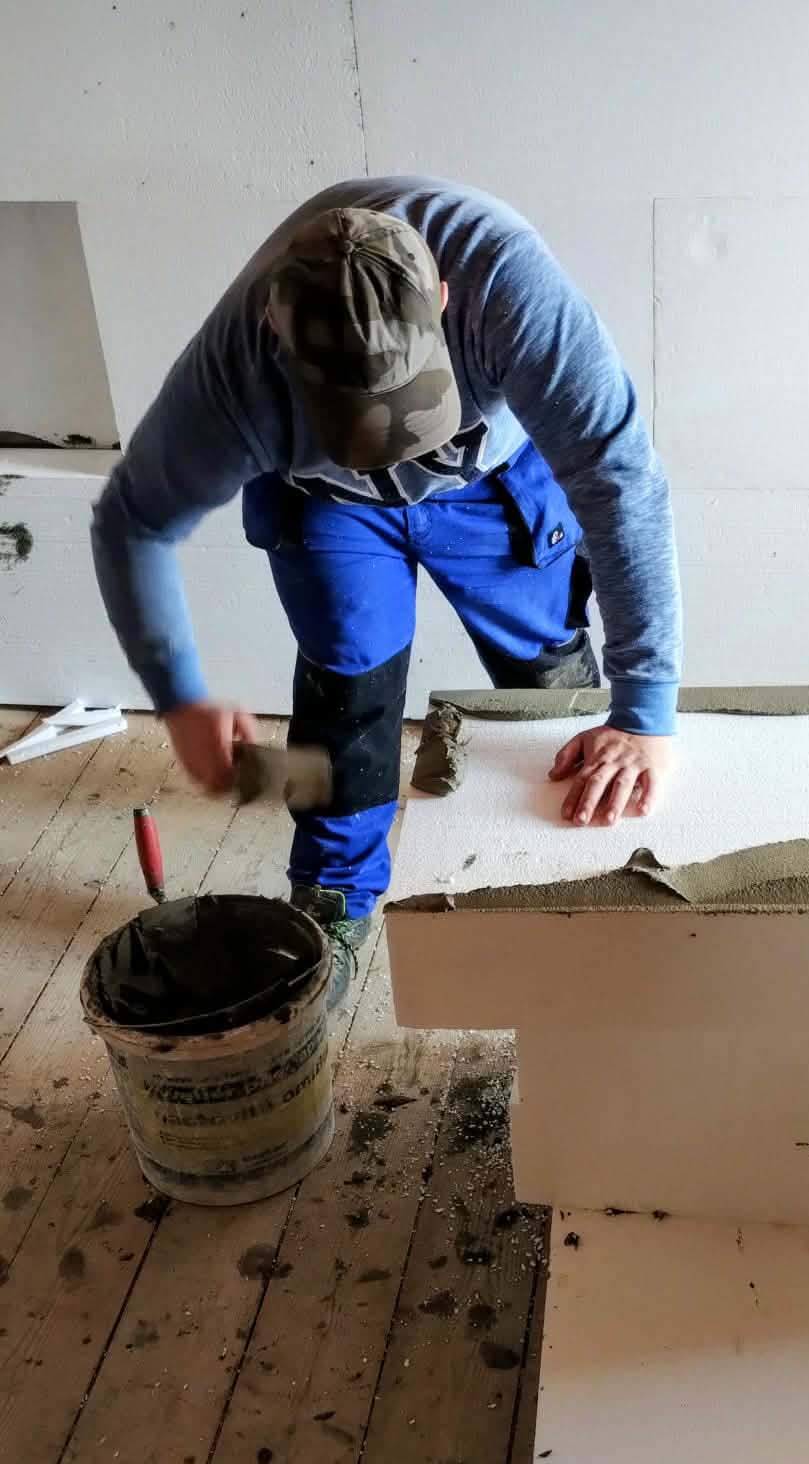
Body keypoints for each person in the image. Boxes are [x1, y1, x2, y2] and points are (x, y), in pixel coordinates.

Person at [91, 177, 682, 997]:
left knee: (549, 682)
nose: (392, 455)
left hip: (489, 480)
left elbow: (620, 481)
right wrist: (178, 695)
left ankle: (585, 858)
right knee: (349, 693)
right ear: (274, 330)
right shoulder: (229, 380)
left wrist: (643, 714)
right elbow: (131, 522)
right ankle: (335, 893)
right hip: (327, 503)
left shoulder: (509, 287)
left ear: (443, 300)